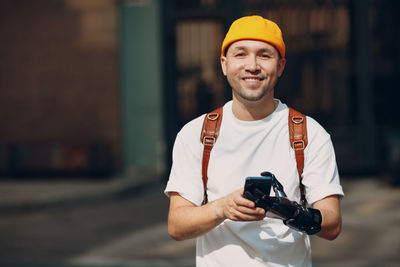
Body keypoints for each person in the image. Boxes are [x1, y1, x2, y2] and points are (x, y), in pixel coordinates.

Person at [165, 15, 344, 267]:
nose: (252, 65)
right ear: (224, 64)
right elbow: (177, 225)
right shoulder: (196, 134)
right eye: (240, 54)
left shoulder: (309, 133)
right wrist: (222, 208)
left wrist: (286, 209)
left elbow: (332, 223)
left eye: (264, 55)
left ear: (280, 66)